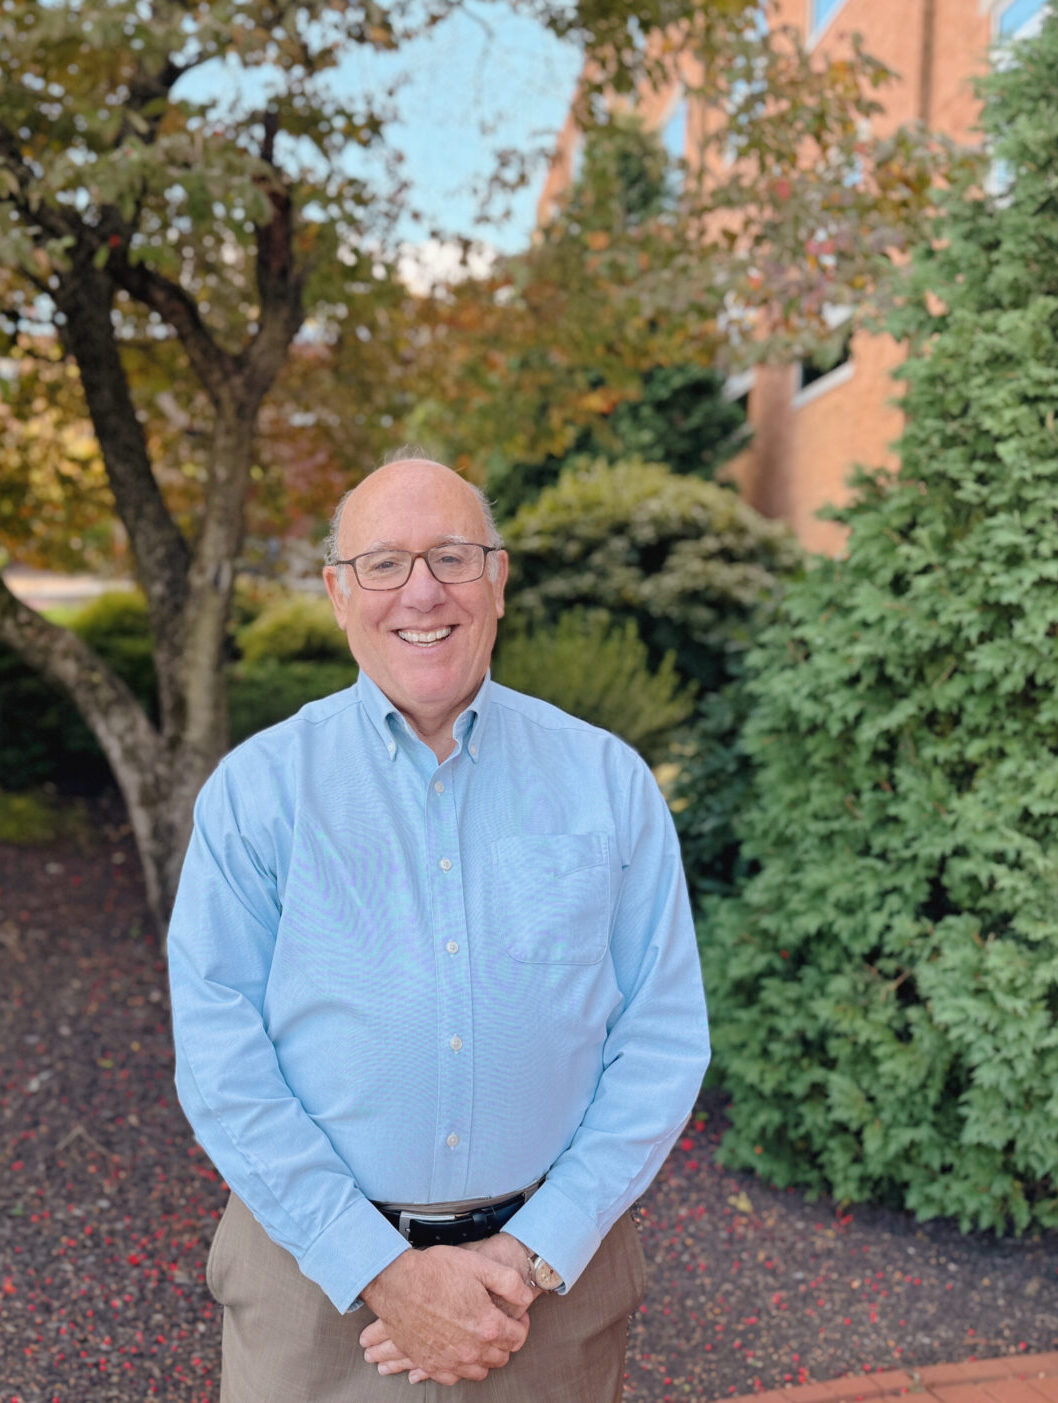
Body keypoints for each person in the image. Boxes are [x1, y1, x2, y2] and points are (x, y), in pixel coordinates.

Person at [168, 456, 710, 1400]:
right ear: (339, 593)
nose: (422, 590)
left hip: (548, 1292)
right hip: (317, 1287)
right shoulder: (256, 794)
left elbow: (661, 1040)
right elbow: (221, 1057)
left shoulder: (608, 783)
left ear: (498, 581)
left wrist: (531, 1255)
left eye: (453, 557)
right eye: (383, 563)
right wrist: (382, 1269)